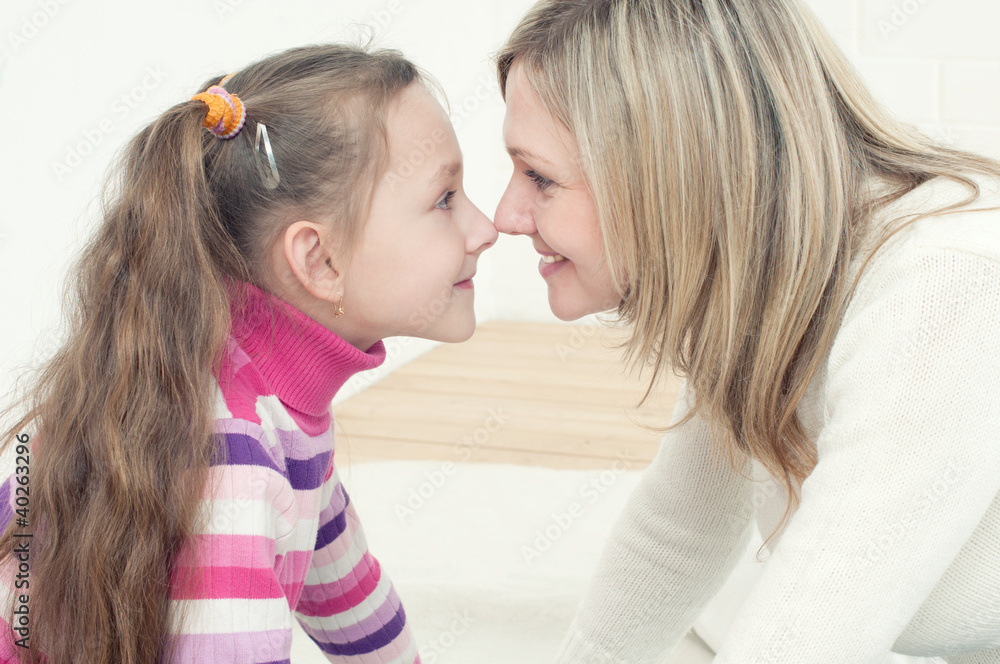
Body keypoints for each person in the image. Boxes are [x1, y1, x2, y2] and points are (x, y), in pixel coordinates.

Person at [492, 0, 1000, 662]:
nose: (505, 214)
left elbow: (817, 622)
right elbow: (678, 529)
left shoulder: (945, 283)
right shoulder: (760, 278)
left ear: (668, 171)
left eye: (539, 176)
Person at [0, 43, 496, 663]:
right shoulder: (230, 455)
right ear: (319, 260)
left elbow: (344, 589)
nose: (486, 227)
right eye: (445, 199)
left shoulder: (278, 400)